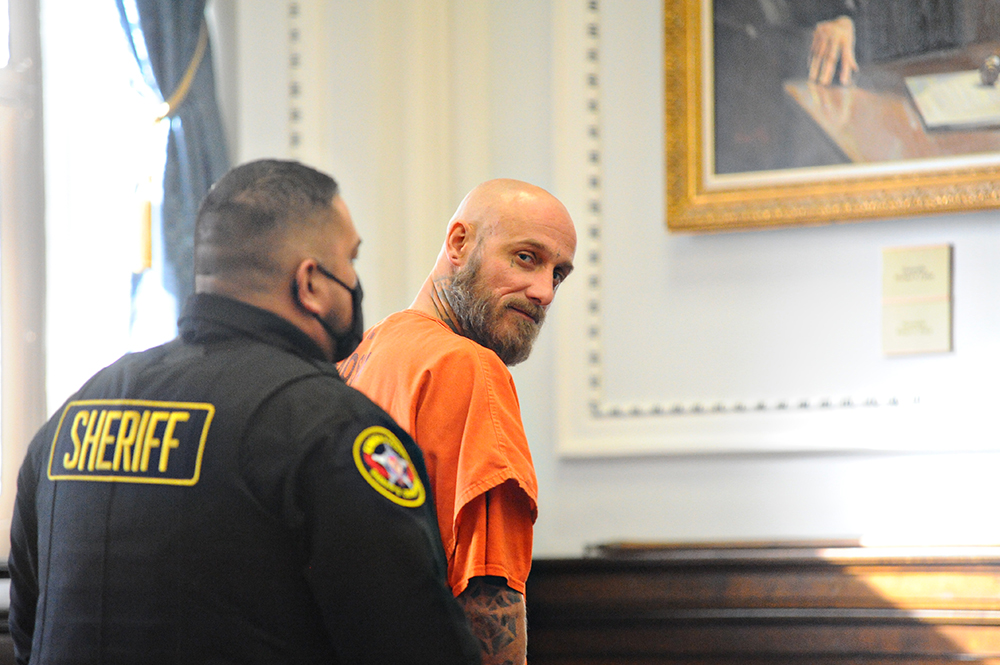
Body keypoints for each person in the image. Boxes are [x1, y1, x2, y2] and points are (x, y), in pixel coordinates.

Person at [8, 159, 481, 665]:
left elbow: (30, 634)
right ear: (311, 282)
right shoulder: (334, 430)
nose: (354, 279)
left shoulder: (74, 417)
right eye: (350, 259)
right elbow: (417, 645)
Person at [338, 179, 577, 665]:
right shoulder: (469, 367)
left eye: (558, 274)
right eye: (526, 258)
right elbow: (488, 594)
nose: (544, 292)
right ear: (459, 243)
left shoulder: (362, 355)